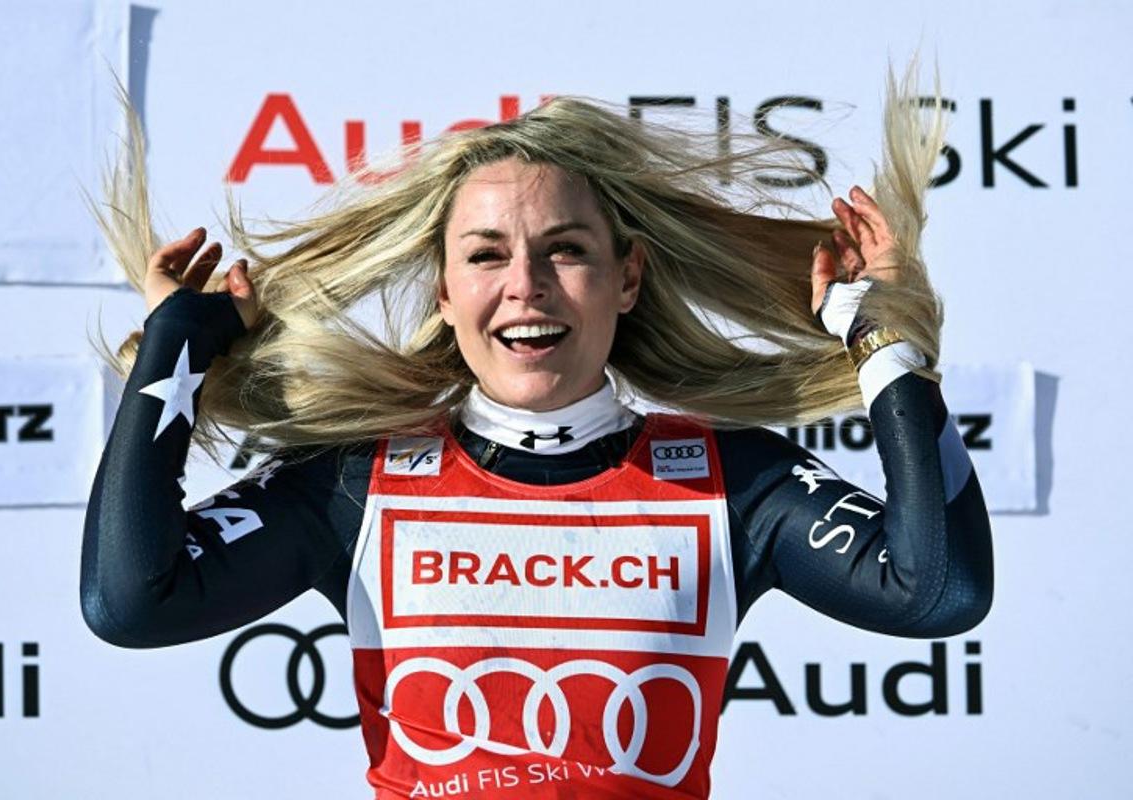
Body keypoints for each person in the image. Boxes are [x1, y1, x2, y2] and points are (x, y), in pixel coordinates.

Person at [80, 63, 992, 799]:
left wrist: (884, 346)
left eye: (566, 248)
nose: (527, 285)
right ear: (442, 291)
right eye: (485, 255)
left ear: (626, 278)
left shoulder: (730, 478)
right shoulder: (356, 482)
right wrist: (175, 347)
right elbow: (131, 602)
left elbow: (938, 591)